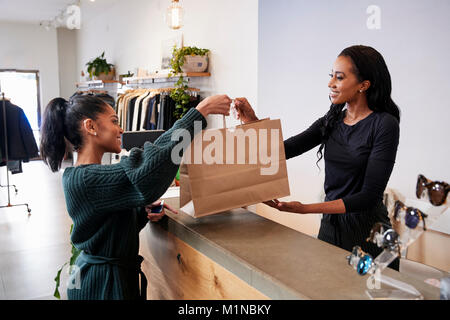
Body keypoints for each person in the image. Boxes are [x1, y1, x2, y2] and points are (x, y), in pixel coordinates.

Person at [40, 94, 231, 299]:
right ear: (91, 126)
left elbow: (108, 225)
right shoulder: (85, 179)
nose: (121, 129)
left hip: (107, 279)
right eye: (114, 121)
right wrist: (199, 112)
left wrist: (141, 210)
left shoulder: (90, 174)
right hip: (102, 286)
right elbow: (147, 172)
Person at [235, 45, 401, 270]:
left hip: (369, 235)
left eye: (339, 77)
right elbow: (285, 149)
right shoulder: (332, 120)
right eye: (331, 75)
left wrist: (305, 209)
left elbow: (369, 197)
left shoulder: (384, 124)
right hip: (330, 230)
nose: (331, 83)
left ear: (364, 85)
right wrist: (251, 121)